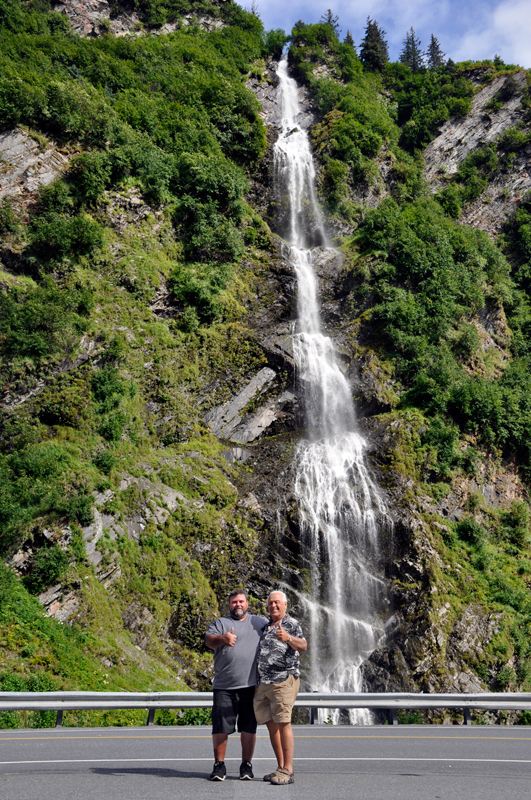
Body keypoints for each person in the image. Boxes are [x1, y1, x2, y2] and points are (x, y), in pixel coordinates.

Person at [205, 589, 268, 782]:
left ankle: (246, 765)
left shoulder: (259, 623)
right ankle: (219, 765)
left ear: (248, 604)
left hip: (250, 686)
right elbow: (208, 641)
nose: (238, 605)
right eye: (234, 602)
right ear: (229, 604)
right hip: (224, 686)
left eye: (241, 601)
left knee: (249, 727)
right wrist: (222, 639)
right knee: (220, 727)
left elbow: (278, 629)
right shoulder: (221, 624)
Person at [253, 590, 307, 785]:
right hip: (264, 682)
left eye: (277, 603)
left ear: (285, 605)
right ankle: (280, 766)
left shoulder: (292, 624)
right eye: (270, 603)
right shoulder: (267, 626)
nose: (273, 606)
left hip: (283, 680)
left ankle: (289, 770)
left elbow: (303, 645)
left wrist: (289, 639)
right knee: (271, 724)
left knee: (284, 722)